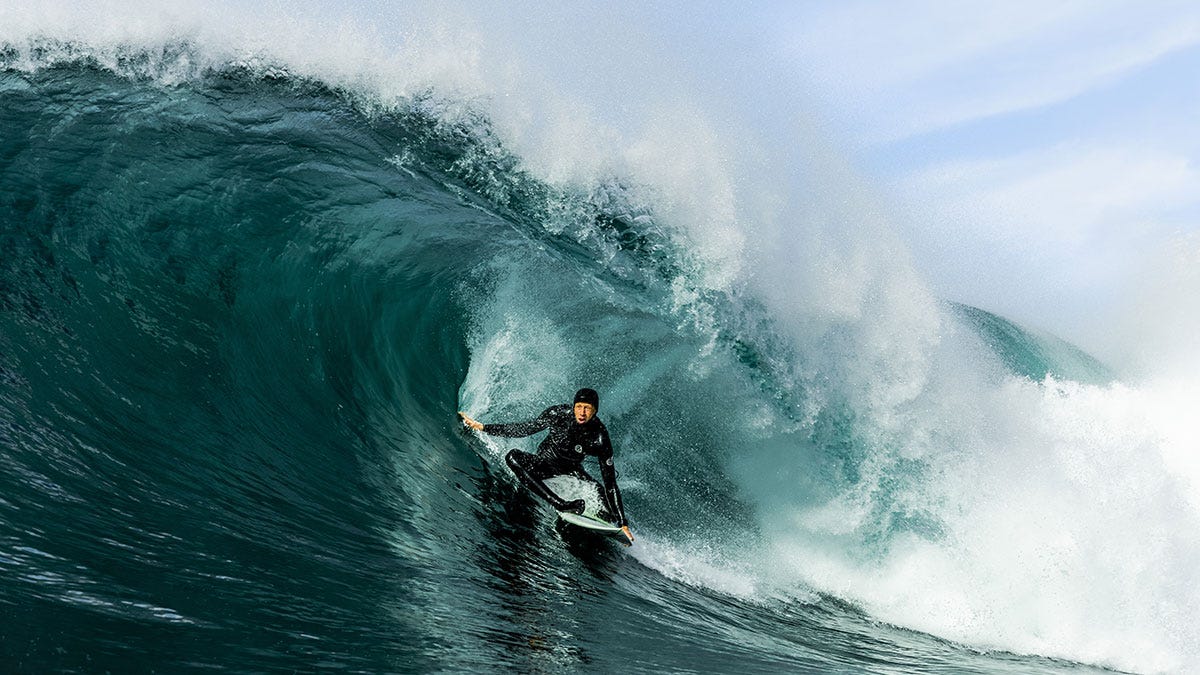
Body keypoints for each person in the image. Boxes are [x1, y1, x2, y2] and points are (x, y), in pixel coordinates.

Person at [459, 388, 633, 543]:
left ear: (595, 410)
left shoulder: (599, 439)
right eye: (579, 406)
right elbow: (526, 429)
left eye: (587, 408)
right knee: (513, 457)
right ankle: (560, 503)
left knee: (599, 490)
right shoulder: (558, 415)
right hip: (544, 465)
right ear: (573, 406)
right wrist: (483, 427)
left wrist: (622, 522)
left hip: (570, 471)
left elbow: (610, 483)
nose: (582, 412)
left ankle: (611, 524)